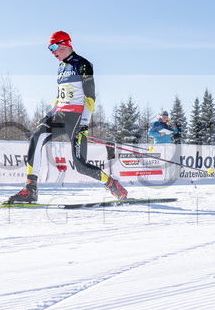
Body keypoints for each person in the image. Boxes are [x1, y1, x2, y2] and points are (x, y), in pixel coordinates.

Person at [7, 30, 127, 204]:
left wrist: (84, 122)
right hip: (60, 116)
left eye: (53, 47)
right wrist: (48, 115)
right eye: (49, 49)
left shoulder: (82, 64)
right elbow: (60, 97)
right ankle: (30, 190)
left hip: (76, 118)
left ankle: (110, 183)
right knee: (36, 137)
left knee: (81, 166)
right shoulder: (61, 67)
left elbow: (90, 97)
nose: (52, 53)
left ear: (64, 44)